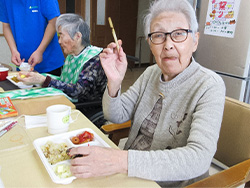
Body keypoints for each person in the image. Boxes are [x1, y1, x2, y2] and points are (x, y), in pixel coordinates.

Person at [67, 0, 226, 187]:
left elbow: (198, 158)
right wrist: (114, 82)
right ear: (151, 44)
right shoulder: (152, 72)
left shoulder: (209, 85)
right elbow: (116, 115)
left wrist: (119, 161)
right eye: (159, 35)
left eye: (179, 34)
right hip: (129, 174)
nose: (168, 45)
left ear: (195, 41)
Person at [17, 13, 107, 103]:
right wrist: (37, 77)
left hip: (85, 108)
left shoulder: (94, 59)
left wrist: (44, 80)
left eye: (61, 35)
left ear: (77, 36)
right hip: (67, 101)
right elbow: (64, 81)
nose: (59, 41)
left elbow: (77, 91)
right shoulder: (72, 56)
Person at [0, 0, 64, 75]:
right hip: (24, 64)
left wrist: (40, 51)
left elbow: (54, 22)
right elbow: (6, 26)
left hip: (49, 63)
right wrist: (13, 50)